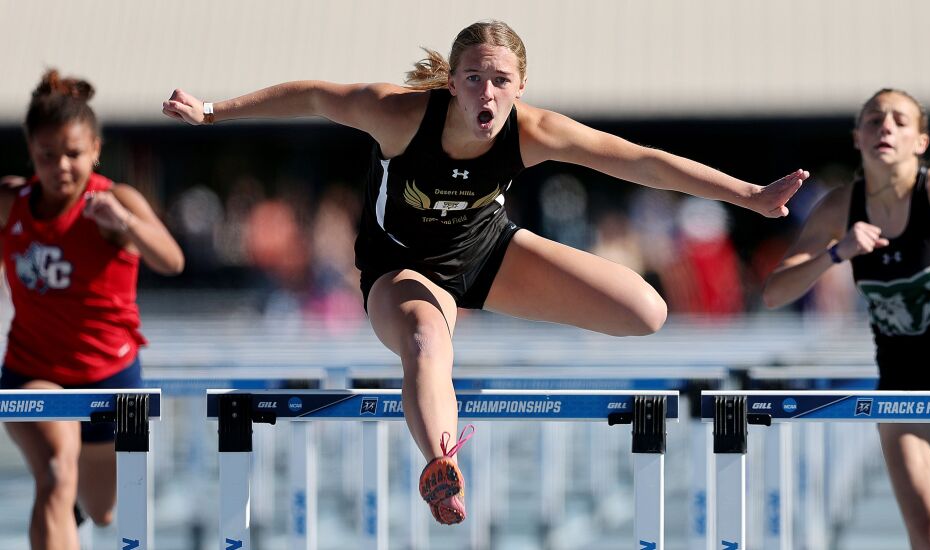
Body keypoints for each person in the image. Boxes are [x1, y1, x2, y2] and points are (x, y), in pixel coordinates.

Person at [163, 20, 807, 525]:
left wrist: (747, 196)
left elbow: (640, 162)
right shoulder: (397, 113)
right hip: (402, 268)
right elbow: (310, 95)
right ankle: (443, 465)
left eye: (500, 80)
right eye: (473, 79)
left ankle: (464, 337)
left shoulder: (535, 130)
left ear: (521, 86)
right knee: (424, 342)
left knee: (647, 312)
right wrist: (215, 112)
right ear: (452, 82)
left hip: (486, 253)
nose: (486, 94)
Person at [763, 89, 930, 548]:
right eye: (874, 120)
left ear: (920, 141)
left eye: (900, 120)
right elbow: (775, 293)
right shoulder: (841, 207)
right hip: (904, 387)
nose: (886, 127)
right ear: (857, 138)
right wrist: (836, 252)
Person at [1, 70, 184, 550]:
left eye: (73, 155)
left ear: (96, 151)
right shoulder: (10, 203)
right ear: (31, 155)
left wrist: (125, 224)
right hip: (32, 369)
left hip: (110, 375)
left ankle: (72, 512)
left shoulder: (115, 200)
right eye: (47, 156)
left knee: (102, 509)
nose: (61, 166)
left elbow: (172, 260)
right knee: (57, 472)